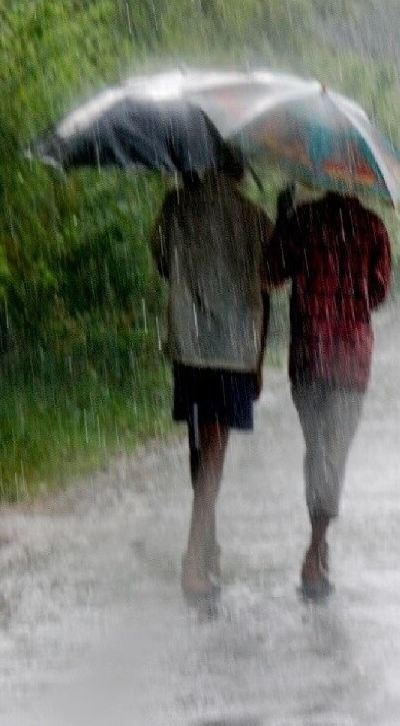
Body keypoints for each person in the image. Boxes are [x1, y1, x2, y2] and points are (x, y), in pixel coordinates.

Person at [150, 153, 273, 601]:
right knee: (215, 449)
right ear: (240, 167)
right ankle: (193, 555)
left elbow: (164, 266)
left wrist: (182, 203)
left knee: (200, 442)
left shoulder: (176, 207)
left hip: (190, 340)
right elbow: (270, 281)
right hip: (233, 348)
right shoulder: (254, 217)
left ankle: (208, 541)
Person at [263, 186, 392, 599]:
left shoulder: (302, 221)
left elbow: (272, 273)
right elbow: (377, 295)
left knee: (317, 448)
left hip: (308, 354)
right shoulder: (372, 227)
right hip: (350, 360)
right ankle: (317, 545)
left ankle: (317, 542)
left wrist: (283, 219)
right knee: (333, 451)